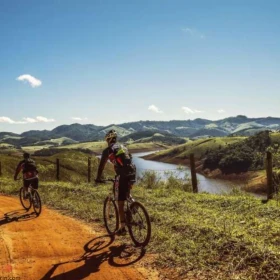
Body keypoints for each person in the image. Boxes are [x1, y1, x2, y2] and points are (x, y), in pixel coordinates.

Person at [95, 129, 136, 235]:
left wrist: (98, 178)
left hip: (121, 176)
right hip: (132, 173)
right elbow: (130, 160)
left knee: (120, 202)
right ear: (116, 139)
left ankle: (122, 228)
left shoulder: (108, 150)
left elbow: (101, 166)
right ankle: (134, 204)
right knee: (127, 193)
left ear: (108, 140)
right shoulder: (123, 147)